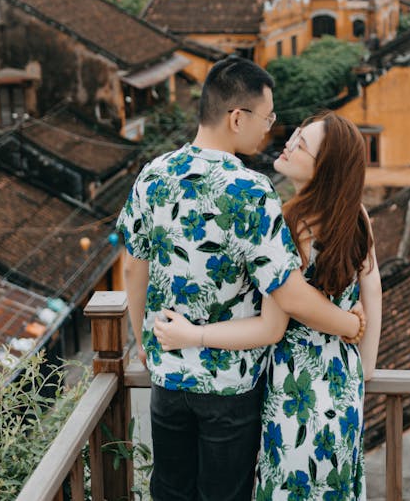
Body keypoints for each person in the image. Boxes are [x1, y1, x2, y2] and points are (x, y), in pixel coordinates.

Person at [117, 57, 366, 501]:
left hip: (168, 377)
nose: (270, 131)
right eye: (267, 119)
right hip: (229, 385)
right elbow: (286, 294)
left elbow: (133, 265)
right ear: (237, 117)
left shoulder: (152, 174)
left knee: (170, 492)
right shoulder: (252, 191)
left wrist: (145, 342)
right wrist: (349, 324)